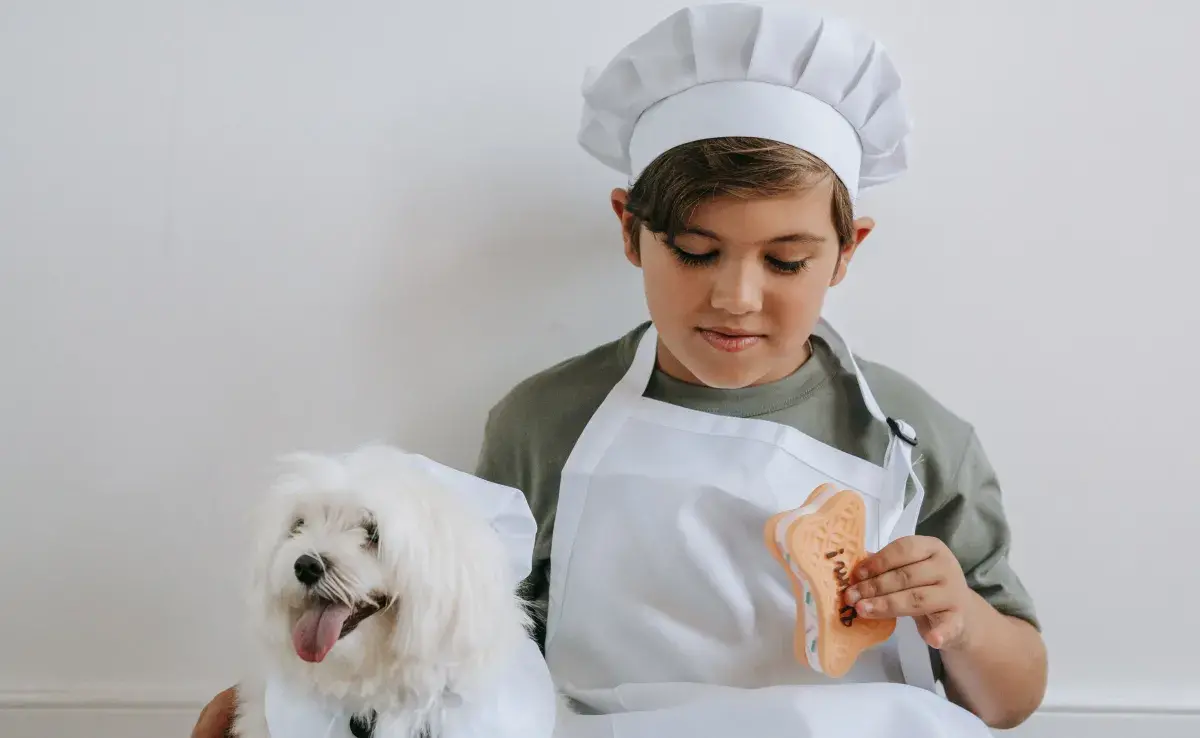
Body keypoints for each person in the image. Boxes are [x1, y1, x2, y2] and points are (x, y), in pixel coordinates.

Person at [192, 3, 1047, 736]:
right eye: (695, 251)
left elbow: (1012, 702)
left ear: (847, 250)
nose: (737, 297)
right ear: (631, 230)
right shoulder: (545, 422)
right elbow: (457, 644)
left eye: (786, 260)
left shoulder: (910, 436)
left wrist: (958, 619)